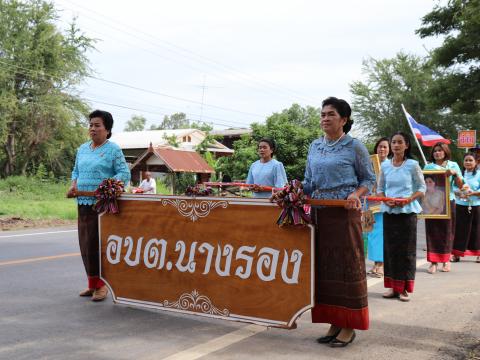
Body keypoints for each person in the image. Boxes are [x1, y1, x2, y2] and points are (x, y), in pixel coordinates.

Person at [303, 97, 375, 347]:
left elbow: (369, 179)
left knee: (347, 268)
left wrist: (355, 194)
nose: (324, 118)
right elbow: (309, 181)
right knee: (325, 269)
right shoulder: (314, 146)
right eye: (322, 114)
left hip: (345, 215)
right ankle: (334, 322)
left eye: (330, 114)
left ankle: (349, 325)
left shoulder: (354, 146)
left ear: (344, 119)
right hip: (320, 215)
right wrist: (290, 192)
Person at [67, 110, 131, 301]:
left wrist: (107, 186)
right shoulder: (82, 149)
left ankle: (102, 286)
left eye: (97, 125)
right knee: (85, 244)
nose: (93, 129)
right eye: (91, 125)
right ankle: (92, 284)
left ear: (107, 130)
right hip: (83, 202)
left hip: (102, 205)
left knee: (97, 244)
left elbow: (124, 174)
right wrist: (73, 184)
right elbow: (75, 172)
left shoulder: (113, 150)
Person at [378, 132, 425, 302]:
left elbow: (421, 187)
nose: (396, 145)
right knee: (390, 249)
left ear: (407, 145)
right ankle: (393, 287)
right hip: (389, 212)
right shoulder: (385, 165)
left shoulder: (413, 165)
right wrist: (386, 199)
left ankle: (404, 288)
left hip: (408, 212)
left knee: (406, 251)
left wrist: (408, 199)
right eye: (393, 142)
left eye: (399, 142)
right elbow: (380, 188)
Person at [423, 143, 463, 273]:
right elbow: (423, 184)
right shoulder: (428, 166)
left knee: (447, 231)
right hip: (431, 202)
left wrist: (455, 174)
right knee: (432, 231)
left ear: (445, 152)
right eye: (435, 151)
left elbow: (461, 185)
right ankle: (433, 262)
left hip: (448, 201)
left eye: (440, 150)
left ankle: (446, 260)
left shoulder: (453, 165)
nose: (437, 153)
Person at [367, 137, 391, 278]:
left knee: (380, 234)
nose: (382, 149)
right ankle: (375, 264)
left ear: (389, 150)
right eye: (380, 146)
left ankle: (381, 264)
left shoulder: (391, 165)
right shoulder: (369, 165)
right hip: (368, 203)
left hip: (383, 204)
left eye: (385, 147)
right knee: (370, 233)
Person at [451, 152, 480, 262]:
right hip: (460, 205)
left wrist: (473, 193)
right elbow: (452, 187)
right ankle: (456, 254)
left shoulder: (479, 174)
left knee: (476, 230)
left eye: (470, 160)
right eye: (466, 160)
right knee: (459, 230)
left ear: (476, 162)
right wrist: (458, 192)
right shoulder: (459, 175)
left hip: (476, 206)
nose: (468, 162)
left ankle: (478, 254)